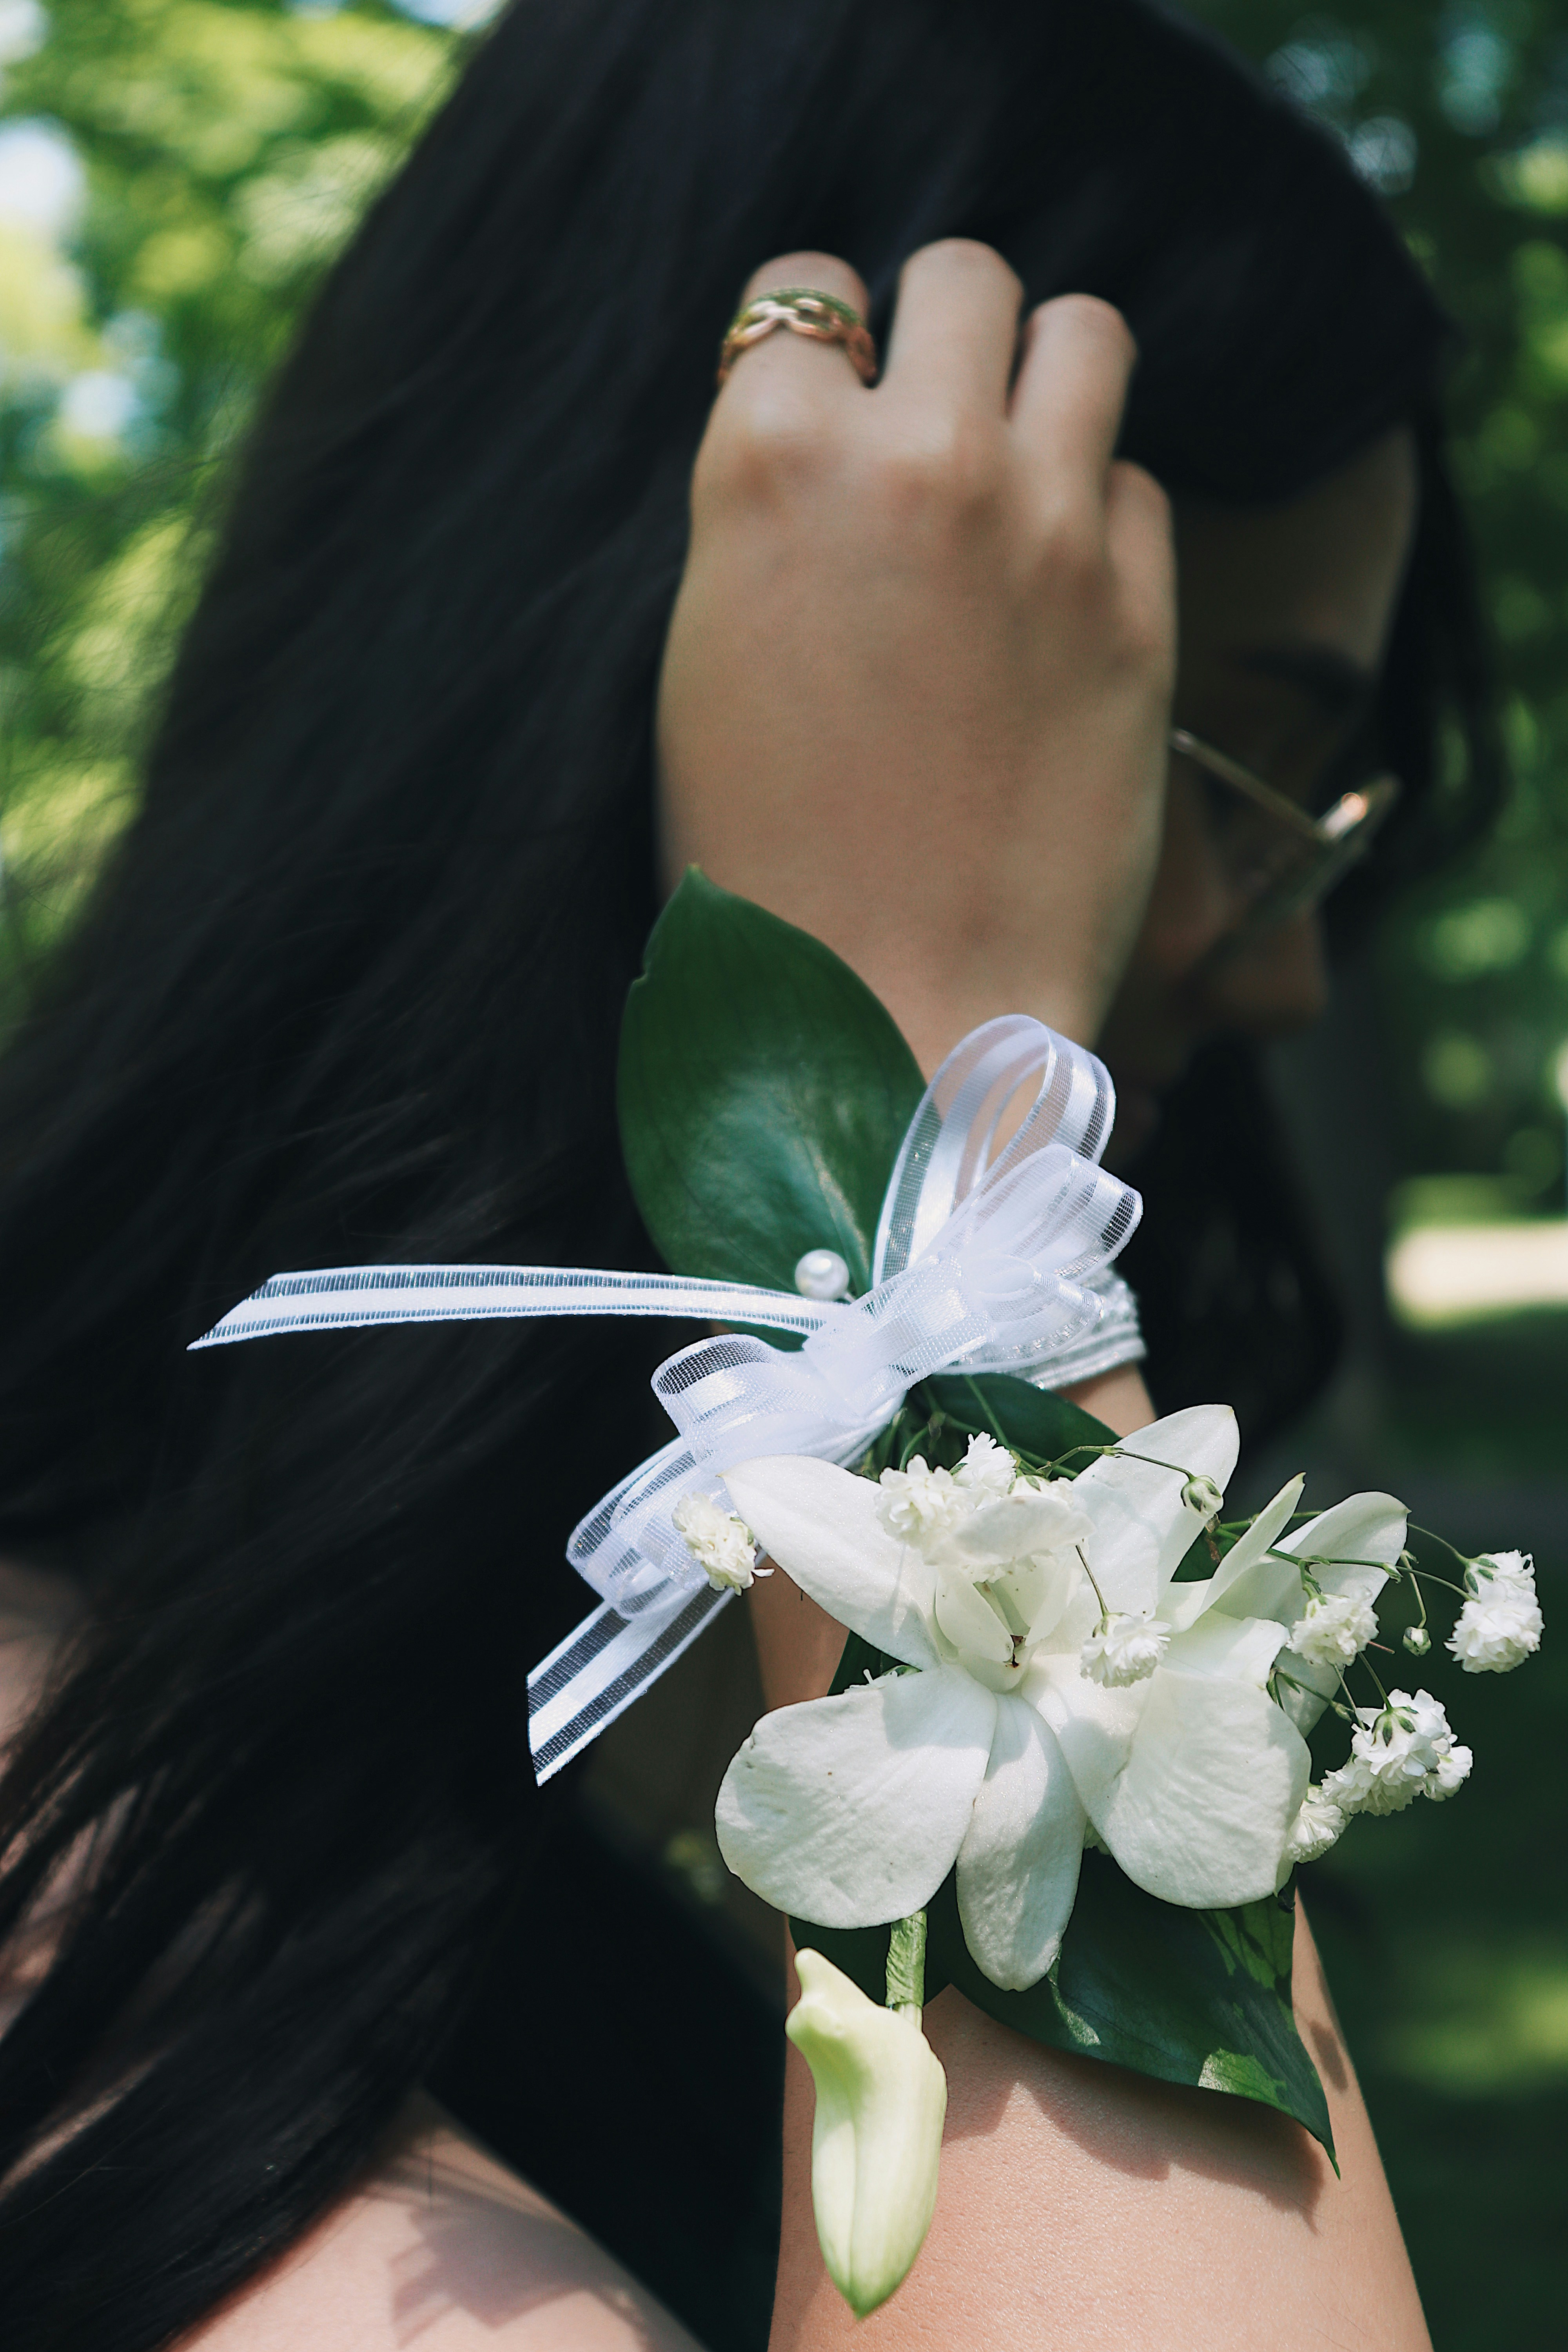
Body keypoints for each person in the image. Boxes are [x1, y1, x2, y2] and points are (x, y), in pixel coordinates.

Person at [0, 3, 1498, 2348]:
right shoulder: (62, 1838)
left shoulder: (615, 1695)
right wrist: (909, 1091)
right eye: (1222, 766)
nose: (1274, 964)